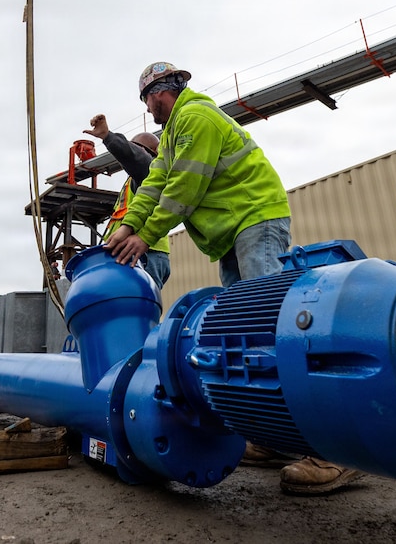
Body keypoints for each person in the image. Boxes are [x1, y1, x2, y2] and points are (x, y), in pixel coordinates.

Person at [105, 61, 362, 495]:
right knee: (246, 335)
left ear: (164, 90)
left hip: (253, 218)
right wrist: (127, 227)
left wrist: (146, 236)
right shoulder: (172, 135)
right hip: (231, 231)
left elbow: (183, 190)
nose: (150, 111)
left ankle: (338, 449)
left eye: (150, 100)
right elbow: (153, 186)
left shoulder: (196, 118)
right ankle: (277, 437)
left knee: (271, 327)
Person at [83, 113, 170, 288]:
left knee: (138, 306)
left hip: (145, 252)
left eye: (136, 148)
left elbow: (136, 156)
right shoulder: (133, 182)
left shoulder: (149, 169)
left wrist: (108, 137)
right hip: (135, 251)